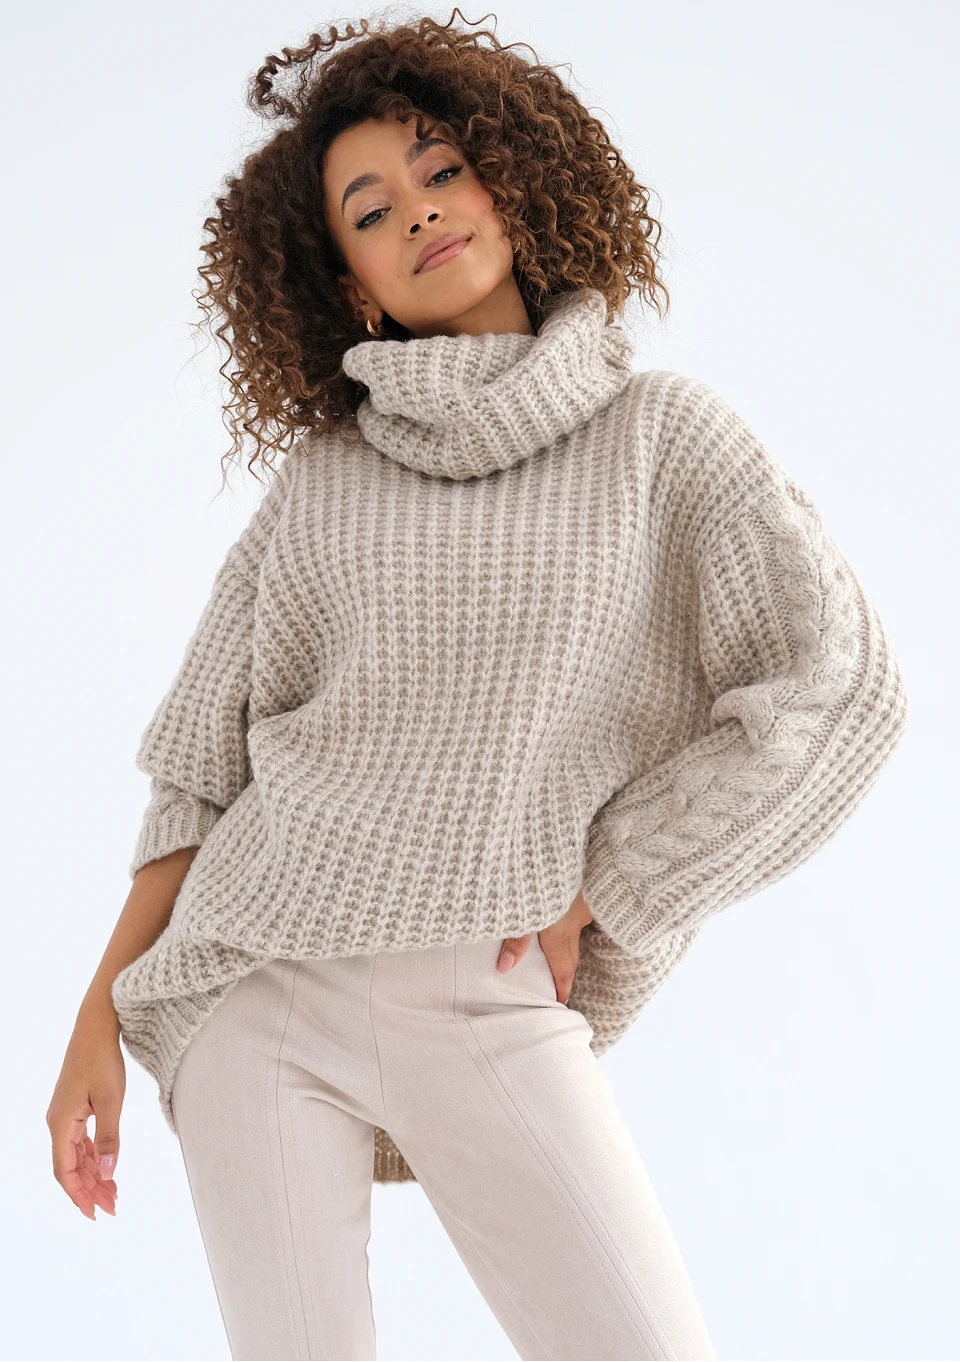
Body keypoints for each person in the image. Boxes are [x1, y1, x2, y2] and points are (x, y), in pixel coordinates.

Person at [46, 12, 909, 1361]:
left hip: (492, 991)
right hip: (258, 991)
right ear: (352, 284)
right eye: (370, 210)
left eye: (441, 169)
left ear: (513, 182)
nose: (420, 212)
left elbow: (840, 688)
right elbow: (200, 776)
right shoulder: (325, 486)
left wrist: (614, 885)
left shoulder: (662, 440)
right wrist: (93, 1025)